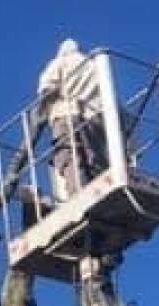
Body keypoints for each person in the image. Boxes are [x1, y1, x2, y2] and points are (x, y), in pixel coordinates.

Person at [37, 39, 110, 202]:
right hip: (95, 118)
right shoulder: (95, 66)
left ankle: (79, 198)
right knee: (96, 159)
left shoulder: (59, 63)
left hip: (66, 114)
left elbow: (46, 90)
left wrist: (41, 113)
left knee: (69, 156)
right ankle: (101, 194)